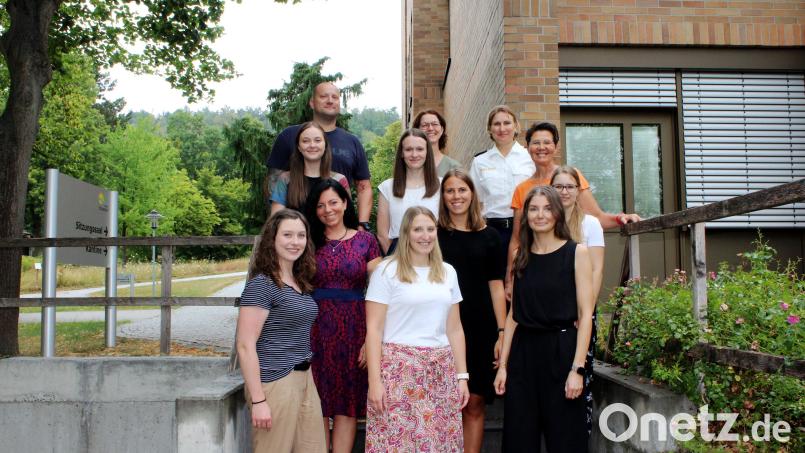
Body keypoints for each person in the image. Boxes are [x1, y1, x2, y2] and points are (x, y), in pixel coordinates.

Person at [493, 186, 594, 453]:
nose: (540, 215)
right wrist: (503, 365)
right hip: (523, 355)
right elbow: (514, 316)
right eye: (534, 209)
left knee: (565, 439)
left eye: (547, 208)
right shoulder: (519, 257)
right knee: (519, 438)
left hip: (561, 352)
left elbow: (585, 317)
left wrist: (577, 369)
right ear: (525, 215)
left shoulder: (577, 253)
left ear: (558, 213)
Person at [365, 206, 470, 452]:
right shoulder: (386, 271)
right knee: (397, 444)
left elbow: (454, 329)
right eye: (418, 229)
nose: (425, 236)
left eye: (430, 229)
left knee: (440, 443)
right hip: (398, 374)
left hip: (440, 372)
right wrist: (374, 381)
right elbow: (374, 330)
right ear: (406, 234)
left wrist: (462, 377)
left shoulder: (447, 272)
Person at [505, 121, 640, 299]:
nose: (541, 147)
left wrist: (620, 218)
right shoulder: (522, 189)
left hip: (570, 270)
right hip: (537, 270)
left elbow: (596, 217)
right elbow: (517, 239)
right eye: (536, 143)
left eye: (547, 142)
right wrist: (509, 278)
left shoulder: (568, 179)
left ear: (556, 146)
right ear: (527, 147)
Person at [235, 209, 326, 453]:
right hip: (275, 382)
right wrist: (259, 400)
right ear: (272, 239)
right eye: (287, 235)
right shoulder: (262, 285)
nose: (295, 242)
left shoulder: (300, 282)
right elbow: (245, 346)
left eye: (300, 235)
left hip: (305, 378)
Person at [303, 179, 382, 453]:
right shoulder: (307, 241)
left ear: (346, 203)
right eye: (321, 205)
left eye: (333, 202)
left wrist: (370, 340)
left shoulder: (366, 241)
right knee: (318, 402)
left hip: (354, 329)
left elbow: (381, 291)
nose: (328, 210)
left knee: (347, 404)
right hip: (315, 329)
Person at [437, 169, 507, 453]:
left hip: (481, 328)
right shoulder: (435, 235)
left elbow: (497, 287)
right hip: (442, 327)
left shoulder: (490, 236)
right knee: (442, 402)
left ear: (473, 194)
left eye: (462, 190)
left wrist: (502, 333)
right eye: (450, 191)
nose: (456, 196)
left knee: (475, 403)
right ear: (443, 197)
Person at [267, 82, 373, 229]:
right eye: (323, 96)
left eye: (335, 97)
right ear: (312, 102)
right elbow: (273, 183)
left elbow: (364, 187)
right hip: (296, 232)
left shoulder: (352, 142)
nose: (330, 100)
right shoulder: (288, 136)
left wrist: (362, 223)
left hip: (334, 230)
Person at [551, 165, 605, 436]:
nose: (564, 192)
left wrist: (584, 312)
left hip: (581, 312)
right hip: (551, 313)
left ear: (578, 191)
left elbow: (596, 271)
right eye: (558, 186)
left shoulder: (590, 224)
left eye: (569, 186)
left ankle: (577, 433)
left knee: (579, 371)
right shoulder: (544, 221)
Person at [468, 105, 535, 257]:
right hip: (493, 231)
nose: (502, 128)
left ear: (516, 126)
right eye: (496, 124)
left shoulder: (529, 157)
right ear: (490, 129)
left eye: (507, 123)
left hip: (527, 228)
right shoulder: (480, 161)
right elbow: (474, 202)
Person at [376, 128, 441, 255]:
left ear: (428, 152)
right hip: (398, 255)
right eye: (409, 149)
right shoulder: (387, 187)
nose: (414, 154)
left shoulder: (442, 185)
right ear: (401, 153)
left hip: (434, 254)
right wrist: (396, 261)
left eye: (420, 149)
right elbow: (383, 235)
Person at [270, 121, 349, 215]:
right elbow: (275, 221)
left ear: (325, 145)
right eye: (305, 141)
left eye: (317, 140)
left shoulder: (339, 180)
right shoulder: (285, 179)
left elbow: (347, 219)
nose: (312, 145)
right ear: (299, 147)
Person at [413, 109, 462, 176]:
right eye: (424, 125)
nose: (430, 128)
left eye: (435, 124)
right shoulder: (411, 165)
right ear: (417, 130)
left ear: (442, 129)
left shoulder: (454, 167)